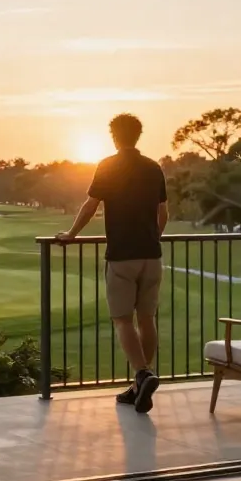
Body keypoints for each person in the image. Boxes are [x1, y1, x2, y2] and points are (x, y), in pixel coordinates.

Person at [57, 114, 167, 413]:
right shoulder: (153, 167)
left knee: (122, 319)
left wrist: (71, 234)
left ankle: (142, 374)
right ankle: (140, 386)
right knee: (147, 318)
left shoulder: (108, 165)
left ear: (115, 136)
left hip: (121, 256)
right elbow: (163, 214)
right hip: (152, 255)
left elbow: (90, 205)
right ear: (138, 135)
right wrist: (152, 238)